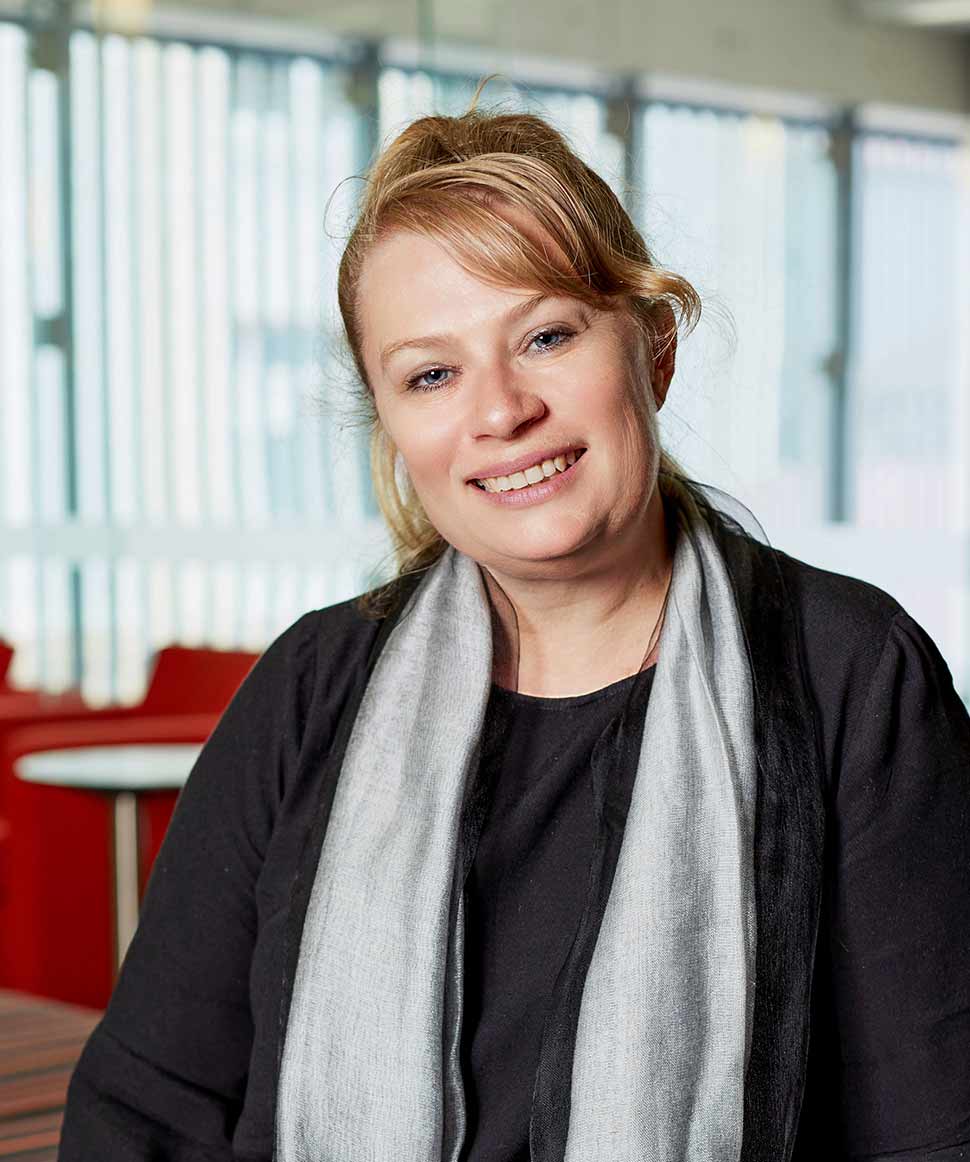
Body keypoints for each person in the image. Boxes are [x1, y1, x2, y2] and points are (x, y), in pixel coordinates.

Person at [59, 89, 970, 1162]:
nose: (500, 411)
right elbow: (146, 1108)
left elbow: (932, 1136)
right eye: (432, 374)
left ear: (654, 349)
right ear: (391, 423)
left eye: (545, 336)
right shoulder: (313, 683)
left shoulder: (848, 673)